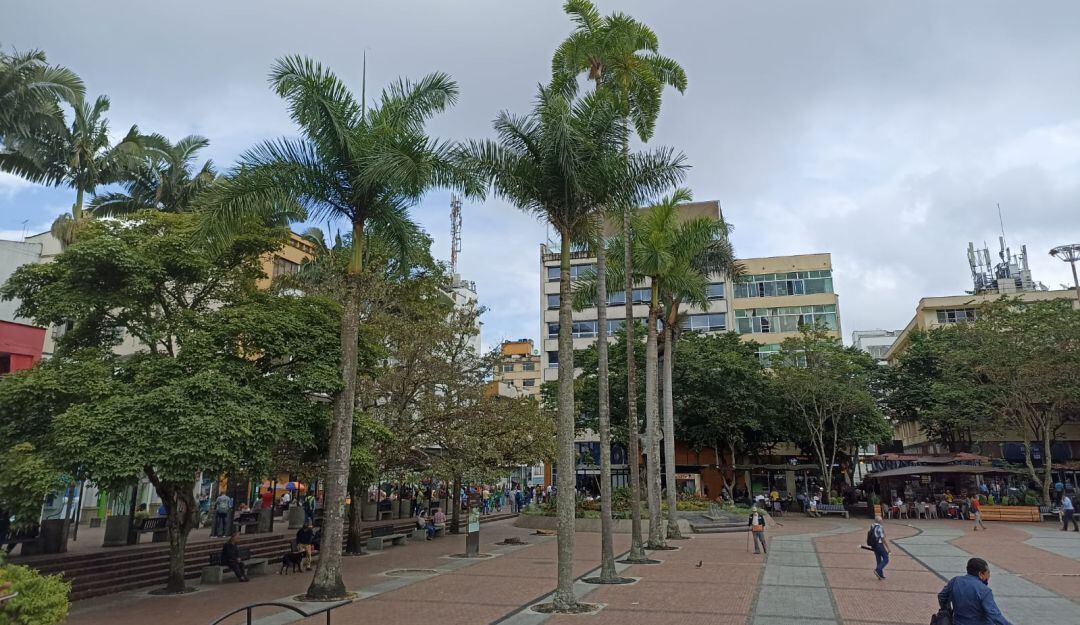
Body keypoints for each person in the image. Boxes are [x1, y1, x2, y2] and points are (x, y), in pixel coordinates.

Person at [937, 557, 1012, 625]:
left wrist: (947, 610)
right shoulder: (984, 590)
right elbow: (994, 615)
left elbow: (942, 596)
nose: (989, 576)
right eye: (988, 573)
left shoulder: (955, 581)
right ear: (980, 574)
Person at [869, 516, 890, 580]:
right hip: (879, 544)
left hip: (874, 545)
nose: (882, 521)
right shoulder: (880, 527)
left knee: (878, 559)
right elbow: (883, 538)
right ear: (880, 521)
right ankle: (878, 570)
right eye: (882, 520)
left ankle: (880, 575)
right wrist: (888, 548)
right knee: (886, 558)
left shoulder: (872, 526)